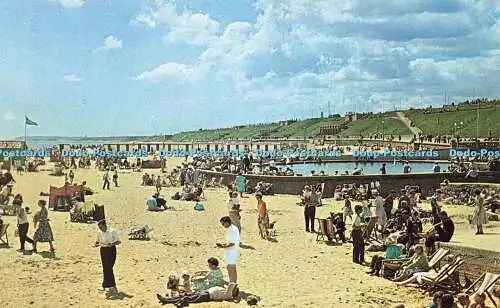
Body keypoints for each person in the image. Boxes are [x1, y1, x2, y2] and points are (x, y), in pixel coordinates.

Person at [94, 219, 121, 292]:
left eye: (101, 227)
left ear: (105, 225)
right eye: (99, 227)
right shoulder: (99, 232)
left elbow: (119, 241)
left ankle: (112, 285)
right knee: (105, 268)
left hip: (111, 250)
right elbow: (97, 241)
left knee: (109, 268)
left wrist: (112, 244)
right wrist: (96, 244)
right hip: (103, 250)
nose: (100, 229)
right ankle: (107, 285)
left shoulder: (113, 231)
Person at [156, 283, 238, 306]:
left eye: (234, 289)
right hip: (205, 291)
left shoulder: (228, 295)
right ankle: (167, 299)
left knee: (187, 298)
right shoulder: (226, 290)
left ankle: (166, 300)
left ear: (233, 292)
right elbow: (230, 285)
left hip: (207, 296)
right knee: (185, 295)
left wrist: (235, 287)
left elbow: (232, 284)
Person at [216, 216, 240, 283]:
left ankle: (232, 283)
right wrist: (223, 245)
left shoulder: (232, 230)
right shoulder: (232, 229)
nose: (223, 226)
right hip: (232, 251)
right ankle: (233, 283)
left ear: (227, 222)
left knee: (230, 268)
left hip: (232, 252)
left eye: (223, 224)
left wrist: (223, 246)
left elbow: (232, 243)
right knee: (232, 268)